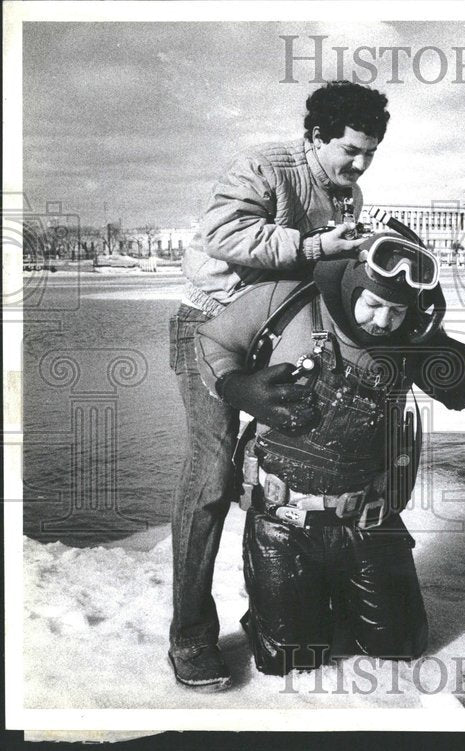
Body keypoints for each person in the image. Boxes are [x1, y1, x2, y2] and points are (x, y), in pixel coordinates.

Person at [167, 81, 389, 689]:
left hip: (279, 334)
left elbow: (326, 274)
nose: (360, 164)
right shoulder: (264, 166)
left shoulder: (350, 192)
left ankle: (285, 609)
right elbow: (223, 235)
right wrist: (317, 244)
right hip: (211, 326)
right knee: (211, 479)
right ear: (316, 137)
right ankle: (189, 635)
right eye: (350, 150)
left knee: (298, 469)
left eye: (370, 152)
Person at [195, 233, 465, 676]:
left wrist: (445, 353)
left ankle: (330, 600)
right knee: (292, 660)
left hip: (368, 520)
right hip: (283, 522)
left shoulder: (409, 336)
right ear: (352, 284)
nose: (382, 321)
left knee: (402, 647)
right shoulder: (286, 301)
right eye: (372, 304)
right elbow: (210, 341)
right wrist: (236, 386)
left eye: (396, 311)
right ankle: (282, 607)